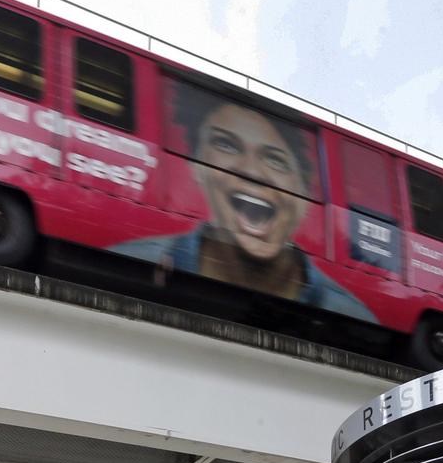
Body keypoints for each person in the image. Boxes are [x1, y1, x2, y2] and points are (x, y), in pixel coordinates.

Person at [112, 82, 376, 324]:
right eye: (226, 145)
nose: (252, 171)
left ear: (305, 197)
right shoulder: (128, 259)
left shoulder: (352, 313)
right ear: (196, 168)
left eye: (275, 160)